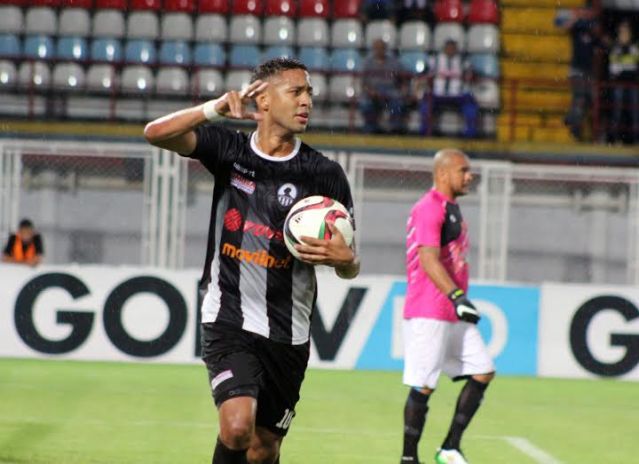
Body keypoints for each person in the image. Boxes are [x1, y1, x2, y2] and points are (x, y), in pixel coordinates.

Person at [143, 57, 360, 464]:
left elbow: (349, 263)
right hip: (229, 317)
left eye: (309, 92)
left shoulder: (325, 174)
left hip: (288, 333)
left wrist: (346, 260)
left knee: (264, 449)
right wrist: (213, 110)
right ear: (262, 100)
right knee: (237, 426)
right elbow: (155, 134)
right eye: (295, 91)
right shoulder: (230, 150)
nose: (306, 101)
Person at [400, 149, 494, 464]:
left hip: (451, 310)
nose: (469, 176)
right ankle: (409, 458)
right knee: (424, 385)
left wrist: (457, 301)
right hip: (430, 308)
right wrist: (456, 296)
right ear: (443, 173)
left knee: (482, 370)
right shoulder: (429, 208)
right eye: (464, 170)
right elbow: (428, 258)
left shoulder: (451, 208)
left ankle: (450, 447)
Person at [556, 5, 601, 140]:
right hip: (576, 69)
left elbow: (600, 43)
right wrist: (577, 17)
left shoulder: (592, 33)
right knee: (580, 97)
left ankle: (572, 121)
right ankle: (573, 124)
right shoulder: (578, 28)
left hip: (588, 71)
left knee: (588, 100)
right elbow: (565, 27)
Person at [418, 39, 479, 138]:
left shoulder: (464, 61)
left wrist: (469, 76)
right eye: (448, 48)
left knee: (471, 106)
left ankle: (470, 135)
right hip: (437, 94)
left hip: (459, 95)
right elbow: (423, 73)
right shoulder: (434, 60)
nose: (450, 50)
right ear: (444, 48)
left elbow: (472, 75)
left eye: (453, 48)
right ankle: (425, 134)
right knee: (426, 105)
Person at [360, 38, 408, 134]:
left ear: (385, 49)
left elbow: (404, 79)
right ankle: (371, 130)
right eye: (377, 48)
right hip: (372, 91)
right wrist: (370, 91)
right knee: (366, 104)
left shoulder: (394, 62)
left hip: (390, 90)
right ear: (373, 49)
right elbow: (363, 83)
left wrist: (403, 91)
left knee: (398, 103)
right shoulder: (367, 63)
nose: (379, 50)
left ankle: (395, 129)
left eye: (381, 48)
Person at [607, 20, 639, 144]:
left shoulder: (634, 47)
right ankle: (614, 138)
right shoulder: (615, 47)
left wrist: (625, 65)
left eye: (626, 31)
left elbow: (635, 64)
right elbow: (613, 67)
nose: (624, 34)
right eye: (622, 31)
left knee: (635, 111)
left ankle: (636, 139)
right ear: (619, 33)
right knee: (617, 110)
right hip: (619, 83)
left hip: (633, 83)